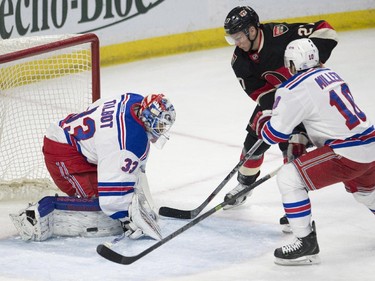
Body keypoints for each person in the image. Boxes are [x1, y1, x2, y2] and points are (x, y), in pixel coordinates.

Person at [251, 38, 375, 265]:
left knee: (289, 178)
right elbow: (324, 116)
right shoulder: (331, 74)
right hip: (370, 145)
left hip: (346, 153)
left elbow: (274, 135)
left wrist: (262, 123)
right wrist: (301, 137)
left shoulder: (292, 88)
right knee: (366, 193)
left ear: (290, 64)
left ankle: (305, 243)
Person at [222, 6, 339, 222]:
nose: (236, 43)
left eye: (238, 36)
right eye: (233, 38)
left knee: (294, 152)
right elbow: (259, 92)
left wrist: (312, 61)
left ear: (252, 30)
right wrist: (270, 112)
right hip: (281, 101)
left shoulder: (280, 34)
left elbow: (326, 31)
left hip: (308, 98)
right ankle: (245, 186)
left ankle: (296, 209)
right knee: (252, 145)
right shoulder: (239, 61)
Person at [10, 93, 176, 241]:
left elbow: (96, 106)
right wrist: (127, 219)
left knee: (127, 184)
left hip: (71, 137)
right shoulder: (127, 142)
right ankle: (37, 214)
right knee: (101, 210)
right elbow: (111, 202)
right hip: (63, 153)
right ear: (147, 117)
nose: (161, 130)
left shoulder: (133, 100)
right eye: (159, 126)